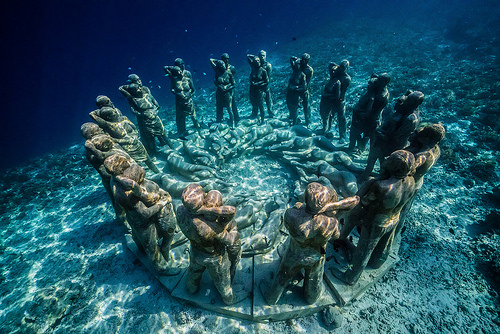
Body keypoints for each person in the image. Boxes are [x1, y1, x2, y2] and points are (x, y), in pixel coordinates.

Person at [260, 182, 359, 305]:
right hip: (318, 254)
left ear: (305, 198)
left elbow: (287, 226)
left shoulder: (292, 214)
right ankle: (311, 298)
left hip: (295, 253)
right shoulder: (331, 222)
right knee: (315, 278)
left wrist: (300, 207)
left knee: (284, 275)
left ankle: (271, 298)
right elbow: (337, 236)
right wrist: (332, 208)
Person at [333, 150, 416, 285]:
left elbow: (363, 201)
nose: (387, 157)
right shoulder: (411, 181)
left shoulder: (382, 186)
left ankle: (350, 277)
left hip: (376, 223)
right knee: (384, 245)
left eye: (390, 159)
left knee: (363, 253)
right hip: (394, 218)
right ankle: (377, 261)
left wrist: (372, 182)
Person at [105, 154, 179, 275]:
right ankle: (160, 268)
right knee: (151, 245)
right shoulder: (126, 194)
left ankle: (140, 248)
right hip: (142, 221)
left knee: (138, 236)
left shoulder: (114, 179)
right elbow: (145, 213)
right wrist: (162, 203)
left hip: (132, 218)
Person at [177, 184, 241, 305]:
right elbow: (230, 240)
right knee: (222, 282)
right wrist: (205, 210)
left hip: (196, 252)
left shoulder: (180, 211)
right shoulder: (210, 227)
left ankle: (191, 290)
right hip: (214, 258)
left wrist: (196, 210)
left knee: (194, 272)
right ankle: (229, 300)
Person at [395, 124, 445, 244]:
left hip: (406, 185)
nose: (419, 135)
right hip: (417, 183)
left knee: (397, 210)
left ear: (428, 139)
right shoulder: (436, 149)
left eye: (423, 135)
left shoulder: (422, 155)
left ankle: (391, 234)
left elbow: (408, 169)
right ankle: (395, 233)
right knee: (404, 210)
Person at [89, 96, 160, 173]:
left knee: (147, 159)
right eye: (108, 101)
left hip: (135, 142)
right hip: (127, 146)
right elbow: (92, 114)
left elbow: (133, 127)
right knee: (136, 165)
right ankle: (145, 178)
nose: (111, 102)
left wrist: (135, 136)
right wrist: (102, 109)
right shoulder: (108, 124)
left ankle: (158, 173)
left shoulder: (120, 115)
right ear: (108, 116)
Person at [365, 90, 423, 174]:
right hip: (392, 140)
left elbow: (396, 135)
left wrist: (380, 133)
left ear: (413, 103)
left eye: (408, 100)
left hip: (393, 143)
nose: (405, 100)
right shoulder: (410, 110)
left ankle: (369, 174)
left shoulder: (409, 119)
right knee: (382, 159)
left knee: (375, 156)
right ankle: (379, 172)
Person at [119, 79, 171, 155]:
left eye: (139, 80)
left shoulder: (146, 92)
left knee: (163, 134)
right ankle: (153, 152)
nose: (139, 82)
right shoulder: (133, 99)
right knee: (150, 137)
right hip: (145, 121)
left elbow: (157, 105)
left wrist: (154, 113)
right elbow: (121, 89)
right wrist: (142, 115)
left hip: (155, 119)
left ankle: (170, 147)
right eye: (136, 80)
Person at [348, 73, 390, 152]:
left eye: (379, 80)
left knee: (369, 137)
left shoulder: (380, 96)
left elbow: (370, 110)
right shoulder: (380, 90)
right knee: (366, 136)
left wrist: (357, 111)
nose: (377, 81)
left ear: (385, 82)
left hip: (372, 119)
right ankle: (361, 148)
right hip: (372, 118)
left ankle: (363, 151)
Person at [164, 62, 201, 139]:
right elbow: (172, 89)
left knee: (194, 116)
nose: (181, 72)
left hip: (188, 101)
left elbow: (193, 89)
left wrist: (188, 96)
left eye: (182, 65)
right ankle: (182, 132)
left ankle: (199, 130)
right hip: (179, 102)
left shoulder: (187, 76)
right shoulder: (174, 79)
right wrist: (179, 94)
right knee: (180, 118)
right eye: (179, 68)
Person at [209, 58, 236, 127]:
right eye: (221, 65)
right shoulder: (217, 73)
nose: (223, 66)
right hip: (219, 93)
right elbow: (215, 82)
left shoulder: (229, 73)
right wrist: (219, 86)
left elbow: (233, 84)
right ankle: (219, 121)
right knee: (219, 107)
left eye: (223, 64)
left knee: (229, 108)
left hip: (227, 94)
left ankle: (232, 123)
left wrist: (226, 88)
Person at [319, 63, 341, 136]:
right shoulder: (328, 79)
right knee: (323, 115)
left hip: (329, 102)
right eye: (331, 71)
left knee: (327, 117)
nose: (332, 72)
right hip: (324, 101)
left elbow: (337, 96)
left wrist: (327, 95)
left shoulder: (337, 82)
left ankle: (325, 131)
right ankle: (325, 129)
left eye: (334, 71)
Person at [247, 54, 269, 124]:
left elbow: (266, 82)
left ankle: (262, 119)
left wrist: (258, 84)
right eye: (256, 61)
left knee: (261, 105)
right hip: (252, 90)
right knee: (254, 104)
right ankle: (254, 116)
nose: (257, 62)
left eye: (258, 61)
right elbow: (248, 56)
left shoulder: (263, 70)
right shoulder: (253, 68)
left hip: (260, 91)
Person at [287, 57, 307, 126]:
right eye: (294, 64)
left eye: (297, 64)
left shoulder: (302, 75)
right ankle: (292, 120)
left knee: (295, 109)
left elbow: (304, 87)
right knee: (290, 108)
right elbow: (291, 59)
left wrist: (296, 88)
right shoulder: (294, 73)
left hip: (296, 95)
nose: (295, 66)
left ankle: (295, 124)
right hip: (290, 94)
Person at [221, 53, 240, 123]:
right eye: (224, 59)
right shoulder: (219, 68)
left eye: (227, 59)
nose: (226, 61)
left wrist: (228, 87)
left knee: (232, 104)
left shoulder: (232, 68)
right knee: (220, 105)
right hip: (221, 90)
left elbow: (233, 80)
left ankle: (236, 118)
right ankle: (219, 119)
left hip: (229, 89)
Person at [299, 53, 314, 126]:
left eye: (305, 60)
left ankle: (308, 121)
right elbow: (291, 59)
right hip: (297, 89)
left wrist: (304, 89)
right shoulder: (298, 66)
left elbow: (308, 82)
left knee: (306, 106)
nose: (303, 61)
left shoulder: (309, 70)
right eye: (302, 59)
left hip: (304, 89)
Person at [258, 50, 274, 117]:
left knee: (268, 100)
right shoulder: (256, 65)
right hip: (258, 86)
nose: (262, 57)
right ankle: (258, 113)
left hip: (265, 86)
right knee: (257, 101)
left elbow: (268, 78)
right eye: (261, 56)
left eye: (264, 55)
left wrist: (261, 83)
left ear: (266, 56)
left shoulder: (268, 65)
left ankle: (270, 112)